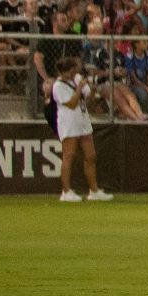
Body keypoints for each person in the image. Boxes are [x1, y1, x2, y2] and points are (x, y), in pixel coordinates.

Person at [51, 54, 110, 203]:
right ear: (62, 71)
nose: (72, 74)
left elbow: (87, 99)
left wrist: (91, 91)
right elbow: (71, 103)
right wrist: (79, 88)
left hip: (83, 120)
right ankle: (66, 191)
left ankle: (94, 190)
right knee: (69, 156)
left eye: (73, 70)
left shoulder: (77, 78)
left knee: (91, 156)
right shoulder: (58, 86)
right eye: (69, 71)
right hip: (69, 123)